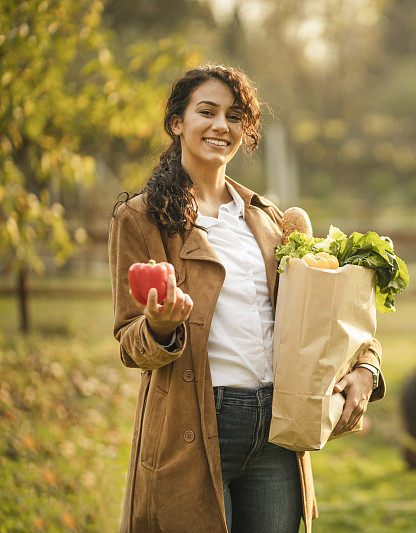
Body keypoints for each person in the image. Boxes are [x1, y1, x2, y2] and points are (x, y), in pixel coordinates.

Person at [108, 65, 385, 533]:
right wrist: (157, 326)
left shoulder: (268, 219)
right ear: (177, 122)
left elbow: (323, 316)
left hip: (275, 427)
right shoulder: (142, 218)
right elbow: (129, 341)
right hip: (192, 427)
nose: (221, 125)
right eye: (207, 111)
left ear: (246, 131)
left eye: (235, 116)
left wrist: (367, 367)